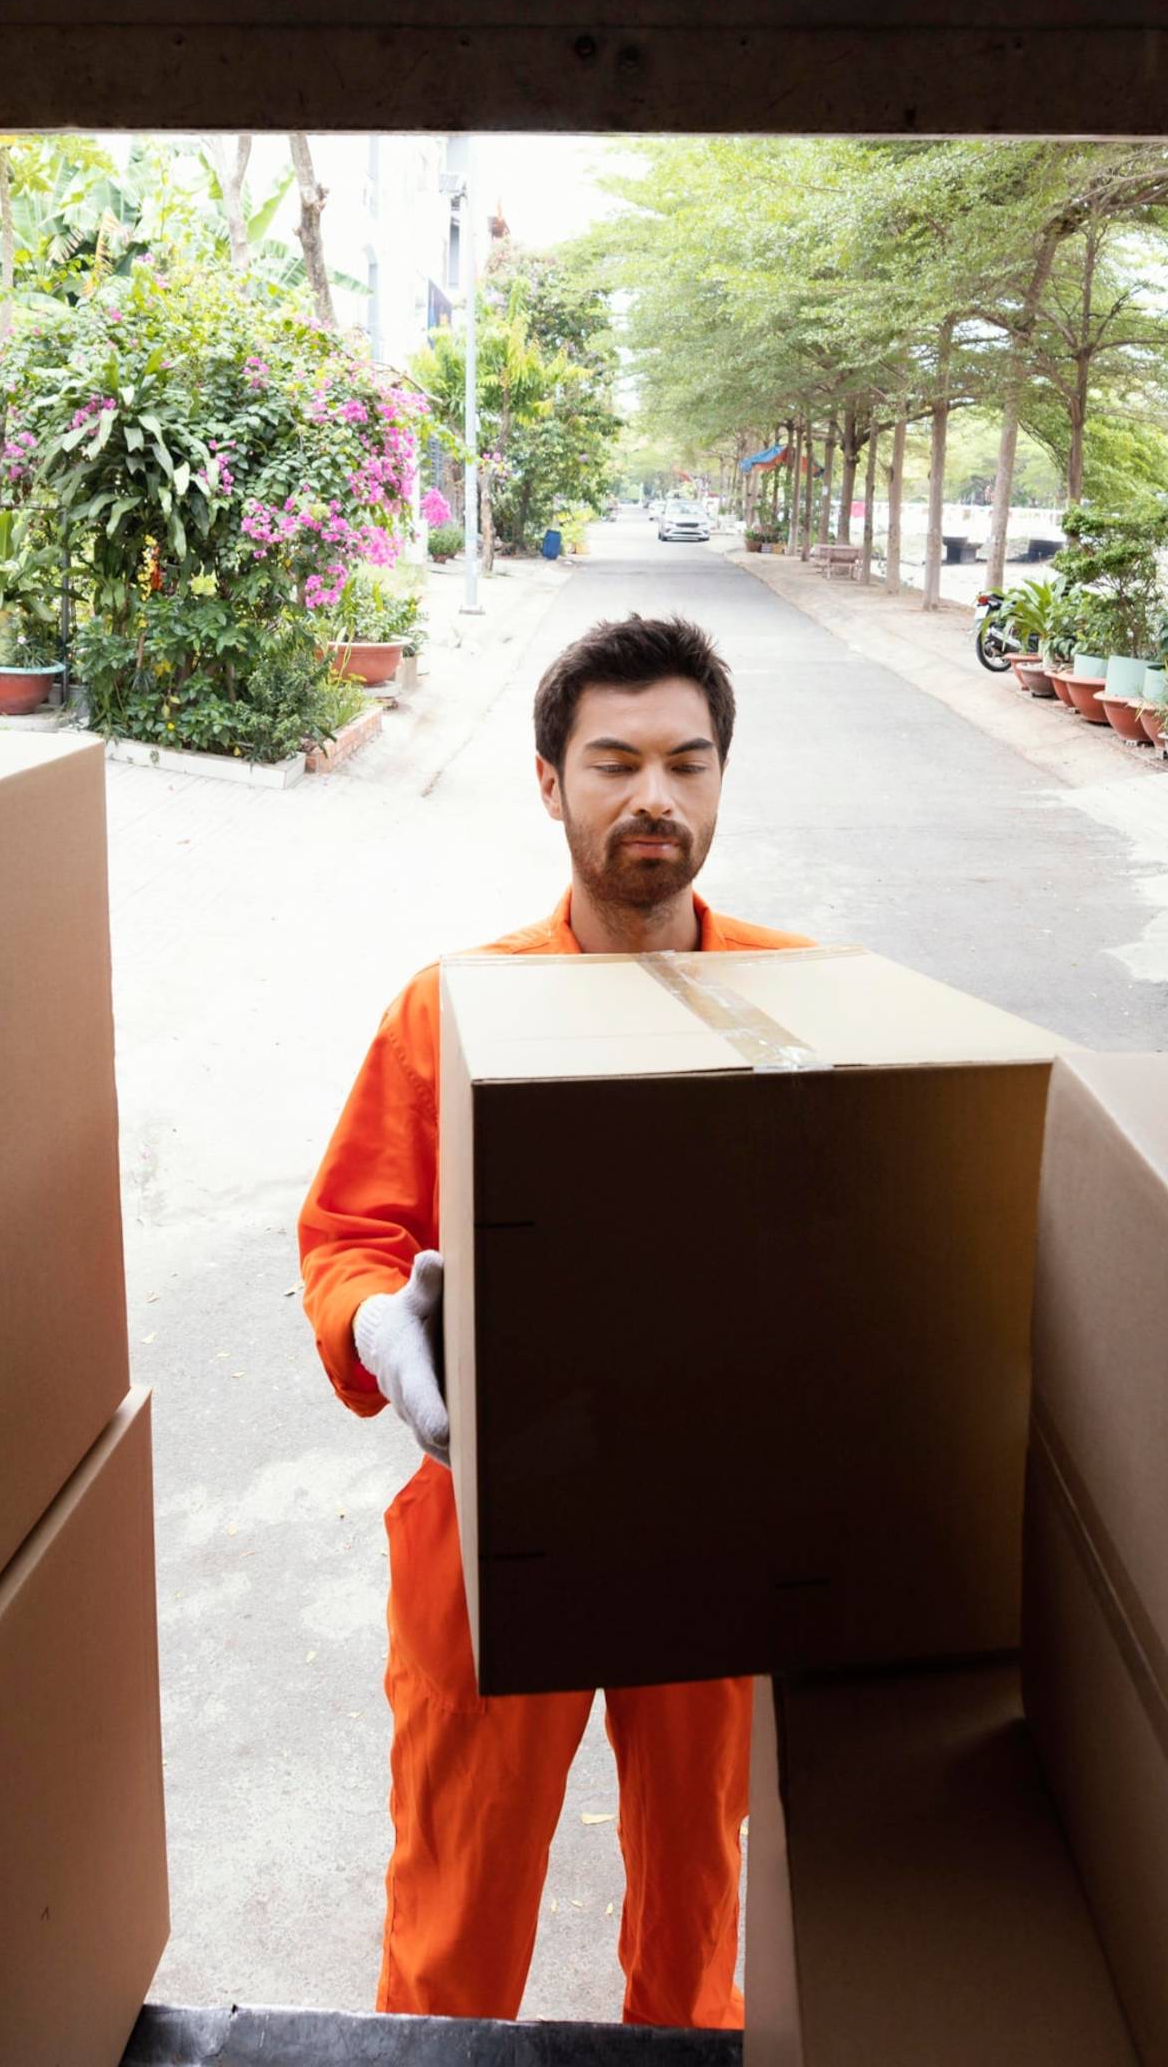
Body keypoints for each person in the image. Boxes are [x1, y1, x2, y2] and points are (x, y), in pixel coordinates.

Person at [295, 613, 805, 2028]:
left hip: (709, 1524)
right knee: (457, 1896)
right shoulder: (452, 1007)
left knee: (699, 1897)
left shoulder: (799, 997)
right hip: (492, 1519)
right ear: (547, 782)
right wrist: (378, 1334)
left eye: (687, 764)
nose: (656, 796)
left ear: (718, 781)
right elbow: (349, 1235)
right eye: (616, 762)